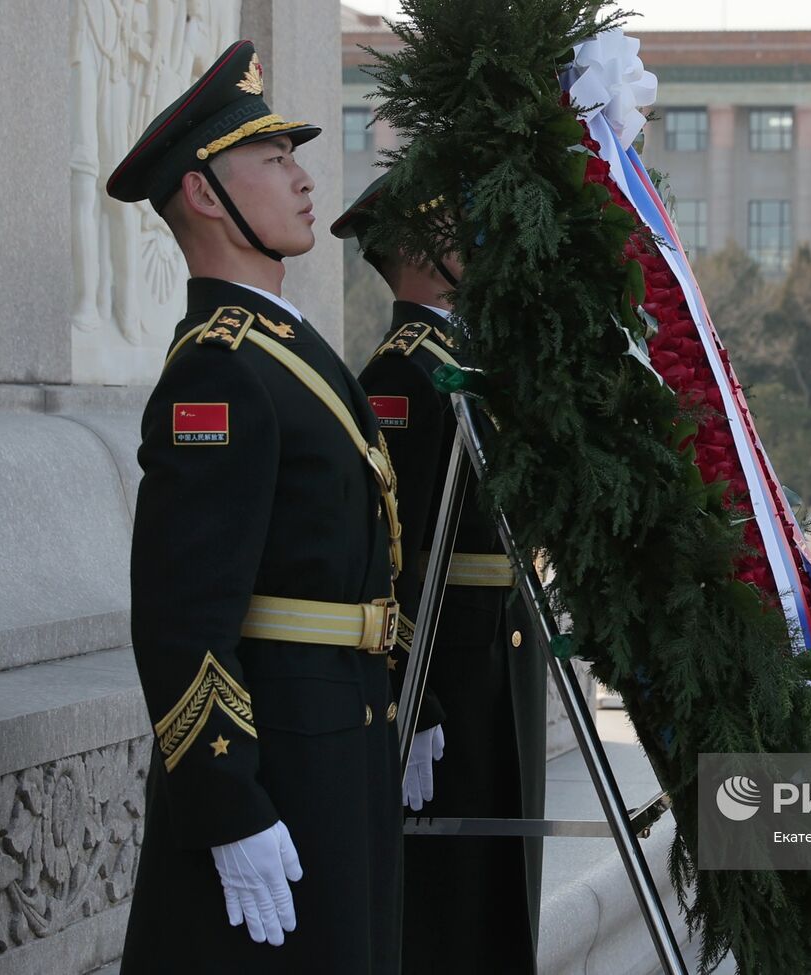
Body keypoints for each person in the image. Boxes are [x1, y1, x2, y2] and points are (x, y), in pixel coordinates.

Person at [109, 41, 405, 974]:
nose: (304, 180)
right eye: (274, 160)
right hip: (281, 751)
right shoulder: (220, 368)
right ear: (204, 194)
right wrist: (226, 802)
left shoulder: (280, 346)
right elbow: (181, 616)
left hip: (339, 733)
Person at [332, 174, 547, 973]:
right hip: (450, 665)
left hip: (498, 650)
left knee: (499, 883)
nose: (476, 246)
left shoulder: (462, 356)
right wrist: (412, 696)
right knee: (451, 895)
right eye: (459, 231)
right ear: (423, 251)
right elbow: (390, 550)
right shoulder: (400, 375)